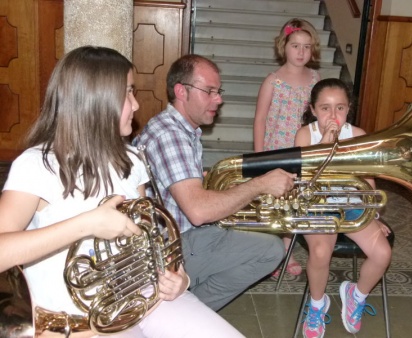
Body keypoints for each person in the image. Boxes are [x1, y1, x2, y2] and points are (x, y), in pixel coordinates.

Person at [0, 46, 244, 338]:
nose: (137, 105)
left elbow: (149, 240)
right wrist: (86, 224)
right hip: (78, 325)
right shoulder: (36, 165)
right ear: (96, 101)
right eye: (128, 92)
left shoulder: (132, 160)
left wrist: (179, 275)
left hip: (143, 299)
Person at [133, 54, 297, 311]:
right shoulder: (170, 135)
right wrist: (260, 185)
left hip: (179, 235)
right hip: (172, 245)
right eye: (209, 91)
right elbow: (198, 212)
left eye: (218, 91)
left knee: (259, 231)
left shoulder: (179, 128)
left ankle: (184, 305)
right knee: (271, 250)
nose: (218, 99)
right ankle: (185, 313)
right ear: (181, 92)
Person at [294, 78, 392, 338]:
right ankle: (317, 305)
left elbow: (367, 180)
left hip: (351, 205)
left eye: (340, 107)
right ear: (313, 110)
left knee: (382, 253)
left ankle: (356, 294)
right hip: (314, 206)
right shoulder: (307, 134)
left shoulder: (357, 135)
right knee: (320, 252)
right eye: (325, 108)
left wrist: (373, 214)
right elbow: (302, 181)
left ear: (349, 109)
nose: (333, 115)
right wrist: (324, 145)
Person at [253, 18, 322, 276]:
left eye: (306, 46)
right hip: (277, 150)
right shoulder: (273, 81)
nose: (301, 52)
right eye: (295, 46)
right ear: (284, 47)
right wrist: (260, 156)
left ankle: (285, 249)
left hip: (304, 151)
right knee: (278, 201)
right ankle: (274, 250)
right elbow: (260, 119)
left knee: (296, 200)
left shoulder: (316, 78)